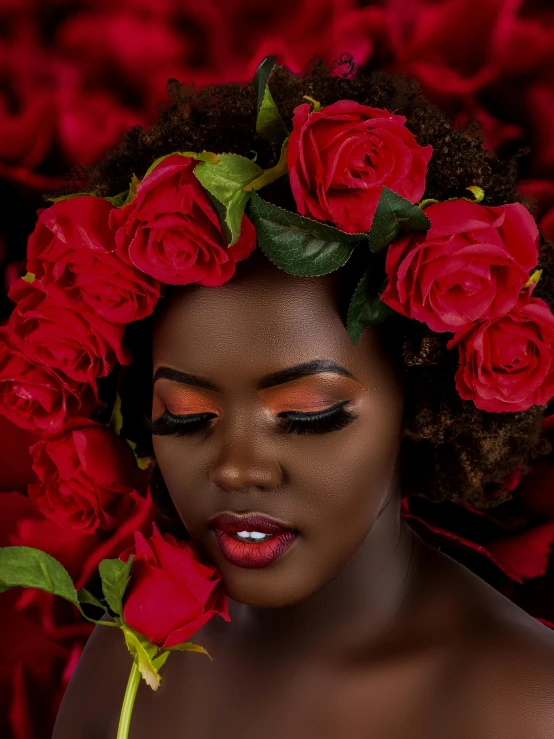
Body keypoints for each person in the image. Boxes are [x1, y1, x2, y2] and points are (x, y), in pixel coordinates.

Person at [29, 58, 554, 737]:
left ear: (422, 404)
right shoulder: (130, 663)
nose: (238, 466)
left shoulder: (522, 705)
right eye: (186, 418)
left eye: (308, 414)